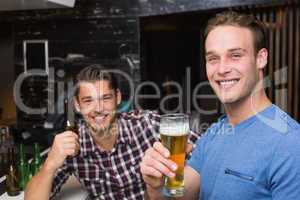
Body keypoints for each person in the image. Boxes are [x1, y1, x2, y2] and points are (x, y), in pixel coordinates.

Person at [140, 11, 300, 200]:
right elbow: (179, 196)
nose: (222, 69)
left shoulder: (290, 144)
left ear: (261, 58)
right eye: (213, 58)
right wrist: (155, 185)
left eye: (235, 55)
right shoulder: (214, 134)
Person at [24, 64, 199, 200]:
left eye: (105, 98)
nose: (98, 109)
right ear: (77, 105)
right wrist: (50, 164)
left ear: (118, 97)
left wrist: (178, 172)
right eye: (88, 101)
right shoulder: (74, 144)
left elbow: (204, 148)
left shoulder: (146, 123)